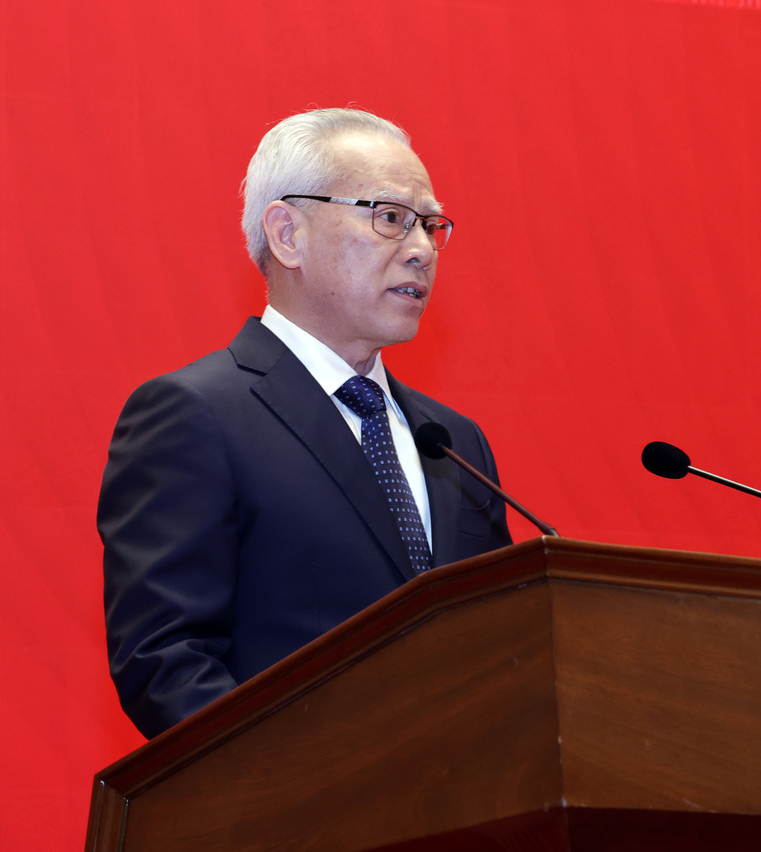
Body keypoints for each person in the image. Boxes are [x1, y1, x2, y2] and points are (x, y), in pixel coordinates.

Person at [97, 108, 512, 739]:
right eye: (391, 218)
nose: (423, 250)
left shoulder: (454, 441)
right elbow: (166, 662)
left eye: (430, 225)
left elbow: (502, 644)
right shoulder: (196, 414)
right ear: (288, 234)